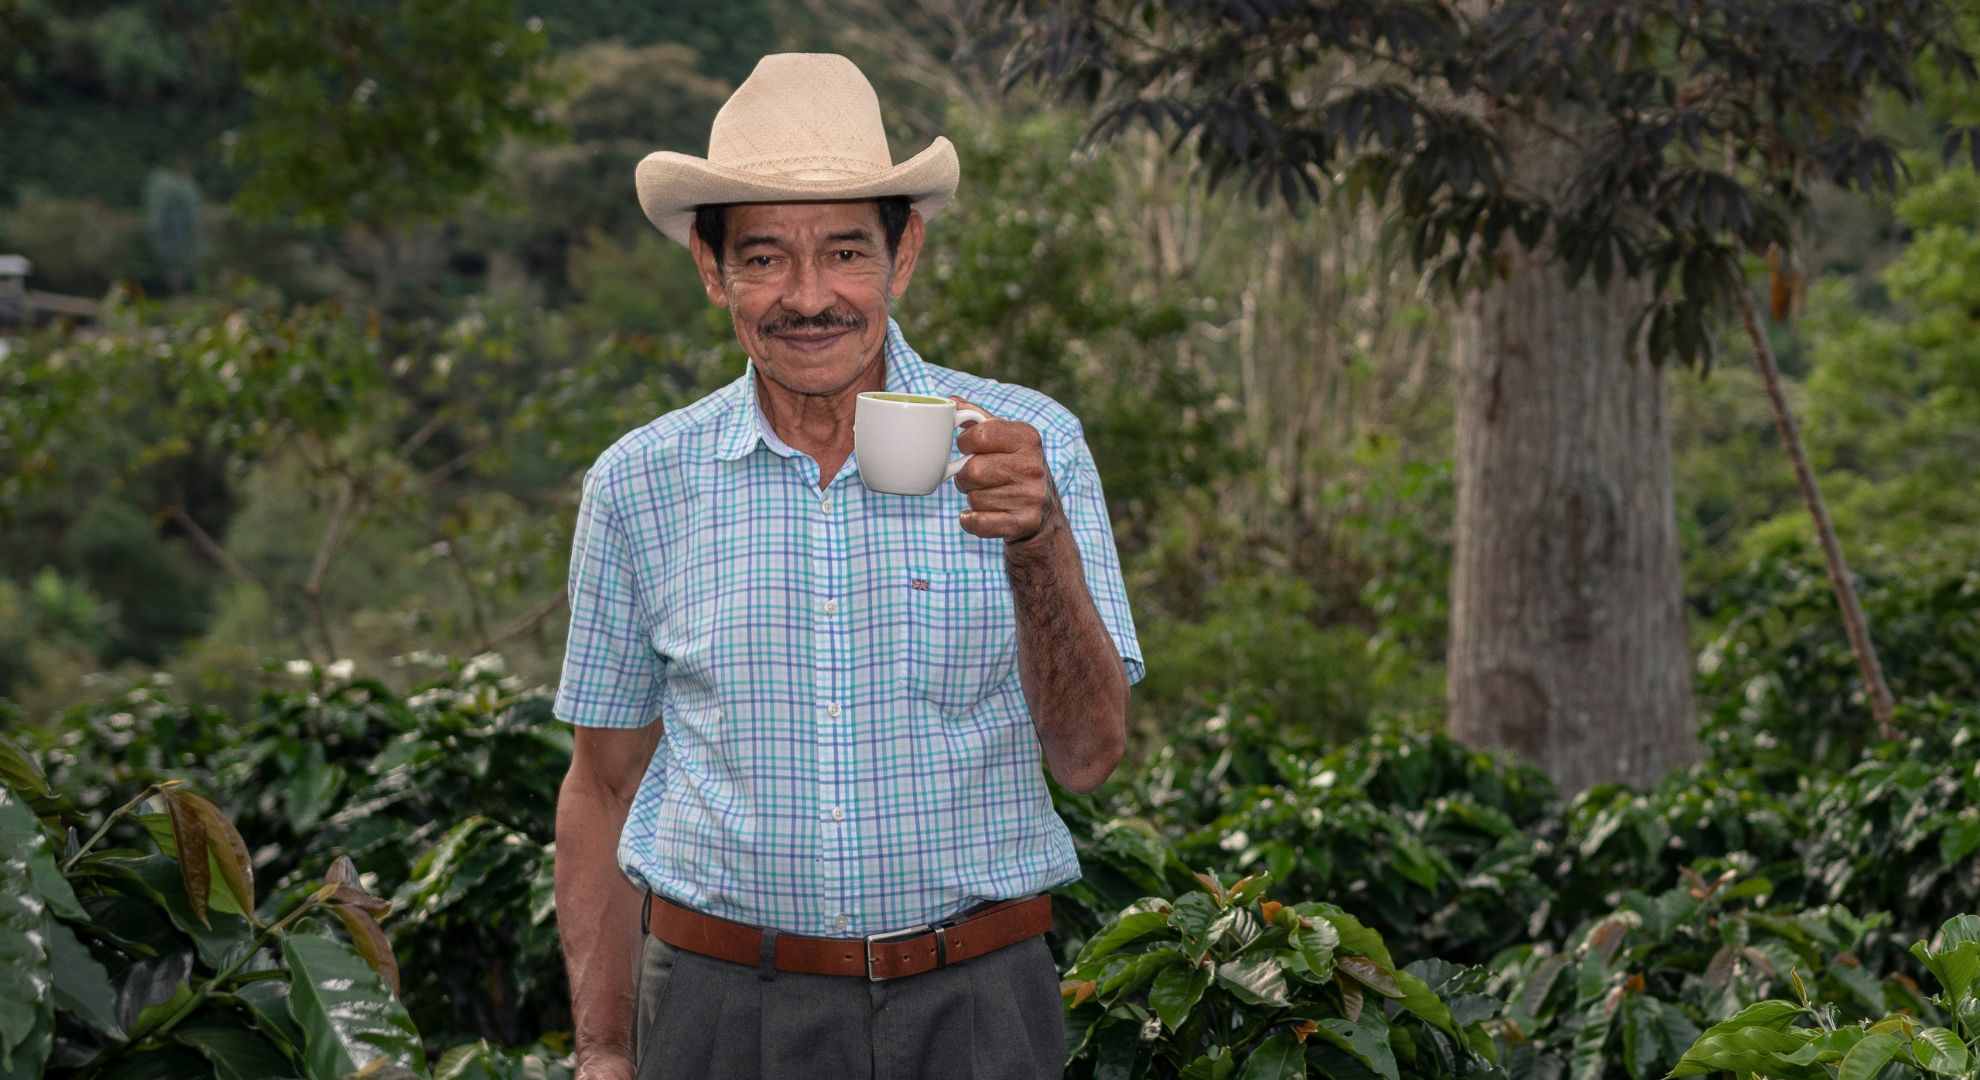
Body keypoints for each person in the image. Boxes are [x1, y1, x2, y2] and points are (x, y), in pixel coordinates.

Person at [551, 52, 1144, 1080]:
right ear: (711, 269)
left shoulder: (1028, 446)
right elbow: (602, 786)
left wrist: (1037, 544)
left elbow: (1089, 756)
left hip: (976, 1006)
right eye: (766, 258)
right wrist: (603, 1051)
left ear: (904, 255)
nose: (809, 297)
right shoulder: (640, 483)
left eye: (846, 253)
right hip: (716, 1009)